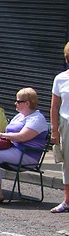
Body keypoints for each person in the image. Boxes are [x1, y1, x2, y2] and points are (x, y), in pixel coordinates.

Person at [0, 87, 49, 206]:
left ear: (27, 103)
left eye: (18, 101)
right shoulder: (19, 116)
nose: (15, 103)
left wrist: (0, 134)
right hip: (13, 149)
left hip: (26, 154)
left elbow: (22, 137)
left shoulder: (37, 119)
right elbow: (8, 133)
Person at [50, 41, 69, 215]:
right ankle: (67, 200)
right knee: (67, 164)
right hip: (66, 123)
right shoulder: (61, 78)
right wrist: (54, 130)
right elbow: (55, 107)